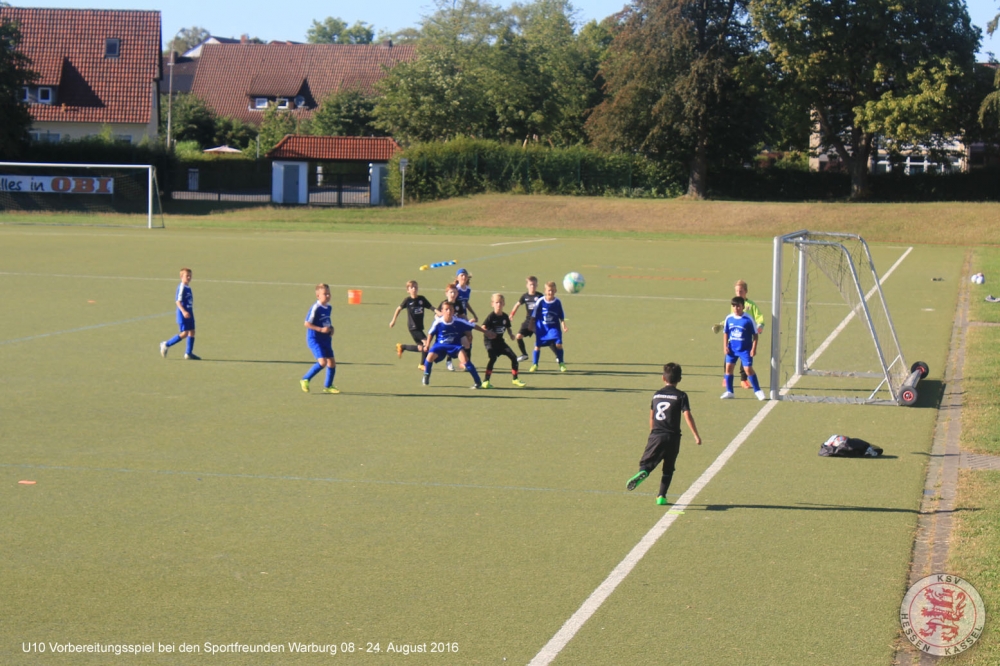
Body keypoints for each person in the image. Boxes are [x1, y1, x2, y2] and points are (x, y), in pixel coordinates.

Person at [626, 363, 702, 505]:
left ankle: (644, 472)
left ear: (663, 378)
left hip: (656, 435)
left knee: (647, 462)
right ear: (679, 379)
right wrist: (696, 435)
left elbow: (652, 416)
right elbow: (687, 415)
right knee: (668, 467)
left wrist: (652, 432)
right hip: (673, 437)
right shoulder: (681, 395)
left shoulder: (657, 395)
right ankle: (661, 496)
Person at [422, 302, 494, 388]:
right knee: (429, 357)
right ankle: (426, 374)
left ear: (453, 311)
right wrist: (427, 345)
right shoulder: (438, 322)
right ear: (442, 311)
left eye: (451, 309)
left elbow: (473, 325)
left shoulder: (458, 321)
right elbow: (430, 333)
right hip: (439, 346)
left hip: (455, 346)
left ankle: (478, 382)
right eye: (446, 309)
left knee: (465, 360)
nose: (449, 311)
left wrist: (485, 331)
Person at [713, 280, 764, 389]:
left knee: (745, 361)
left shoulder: (751, 305)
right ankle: (726, 378)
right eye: (737, 291)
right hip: (733, 338)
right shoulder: (734, 305)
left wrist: (760, 325)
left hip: (745, 338)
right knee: (728, 357)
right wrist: (721, 324)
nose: (738, 293)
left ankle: (743, 380)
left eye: (741, 291)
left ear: (746, 291)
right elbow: (731, 318)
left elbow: (759, 317)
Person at [722, 296, 765, 400]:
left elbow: (755, 335)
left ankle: (758, 391)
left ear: (743, 307)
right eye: (734, 306)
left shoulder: (748, 319)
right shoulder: (729, 318)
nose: (736, 308)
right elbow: (726, 333)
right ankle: (729, 391)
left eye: (738, 306)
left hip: (745, 349)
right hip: (732, 349)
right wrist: (725, 346)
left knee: (748, 369)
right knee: (728, 368)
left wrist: (753, 349)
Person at [480, 293, 526, 388]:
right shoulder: (491, 316)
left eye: (501, 302)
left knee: (514, 357)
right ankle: (486, 381)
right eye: (497, 302)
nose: (499, 305)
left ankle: (515, 379)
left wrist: (511, 334)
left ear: (504, 304)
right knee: (493, 358)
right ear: (492, 304)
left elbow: (508, 327)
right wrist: (488, 333)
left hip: (500, 342)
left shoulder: (505, 317)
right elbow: (483, 327)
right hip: (490, 342)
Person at [300, 283, 339, 394]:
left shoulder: (329, 307)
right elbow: (307, 323)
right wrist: (321, 329)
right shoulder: (315, 308)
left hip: (326, 339)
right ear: (318, 296)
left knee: (332, 362)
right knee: (322, 362)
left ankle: (328, 386)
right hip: (315, 339)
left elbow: (326, 321)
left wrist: (331, 328)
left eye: (329, 293)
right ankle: (305, 379)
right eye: (325, 294)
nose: (328, 296)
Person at [390, 280, 434, 366]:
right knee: (426, 343)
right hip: (413, 327)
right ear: (408, 290)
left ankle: (402, 347)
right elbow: (398, 308)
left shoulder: (422, 299)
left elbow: (431, 307)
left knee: (421, 348)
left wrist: (439, 312)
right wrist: (393, 320)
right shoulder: (407, 300)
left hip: (420, 327)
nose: (414, 289)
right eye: (412, 287)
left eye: (415, 287)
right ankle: (422, 364)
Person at [160, 267, 199, 360]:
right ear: (181, 276)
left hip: (189, 313)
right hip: (183, 314)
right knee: (185, 333)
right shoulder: (181, 287)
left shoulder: (188, 287)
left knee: (192, 331)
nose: (189, 277)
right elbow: (177, 301)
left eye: (190, 276)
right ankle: (166, 344)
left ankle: (188, 353)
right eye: (187, 276)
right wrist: (184, 311)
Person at [529, 281, 567, 373]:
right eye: (549, 290)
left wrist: (564, 325)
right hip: (542, 328)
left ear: (556, 290)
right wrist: (531, 324)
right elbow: (534, 314)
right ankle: (535, 364)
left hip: (554, 327)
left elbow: (561, 316)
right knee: (537, 346)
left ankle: (561, 363)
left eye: (552, 290)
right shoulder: (540, 301)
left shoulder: (557, 302)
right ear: (545, 291)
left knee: (558, 344)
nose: (551, 292)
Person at [437, 284, 471, 372]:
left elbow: (462, 315)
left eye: (455, 292)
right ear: (446, 293)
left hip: (457, 328)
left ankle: (466, 363)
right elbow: (436, 315)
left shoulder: (458, 304)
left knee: (467, 344)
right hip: (447, 330)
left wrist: (468, 322)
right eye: (451, 292)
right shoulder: (444, 304)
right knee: (450, 345)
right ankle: (449, 361)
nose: (453, 294)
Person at [508, 275, 542, 361]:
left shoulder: (540, 296)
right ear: (527, 285)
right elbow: (517, 304)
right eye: (531, 284)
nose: (532, 286)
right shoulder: (525, 296)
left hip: (537, 322)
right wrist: (512, 314)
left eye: (534, 285)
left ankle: (558, 356)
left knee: (544, 339)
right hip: (528, 321)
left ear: (537, 285)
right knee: (518, 336)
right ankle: (524, 355)